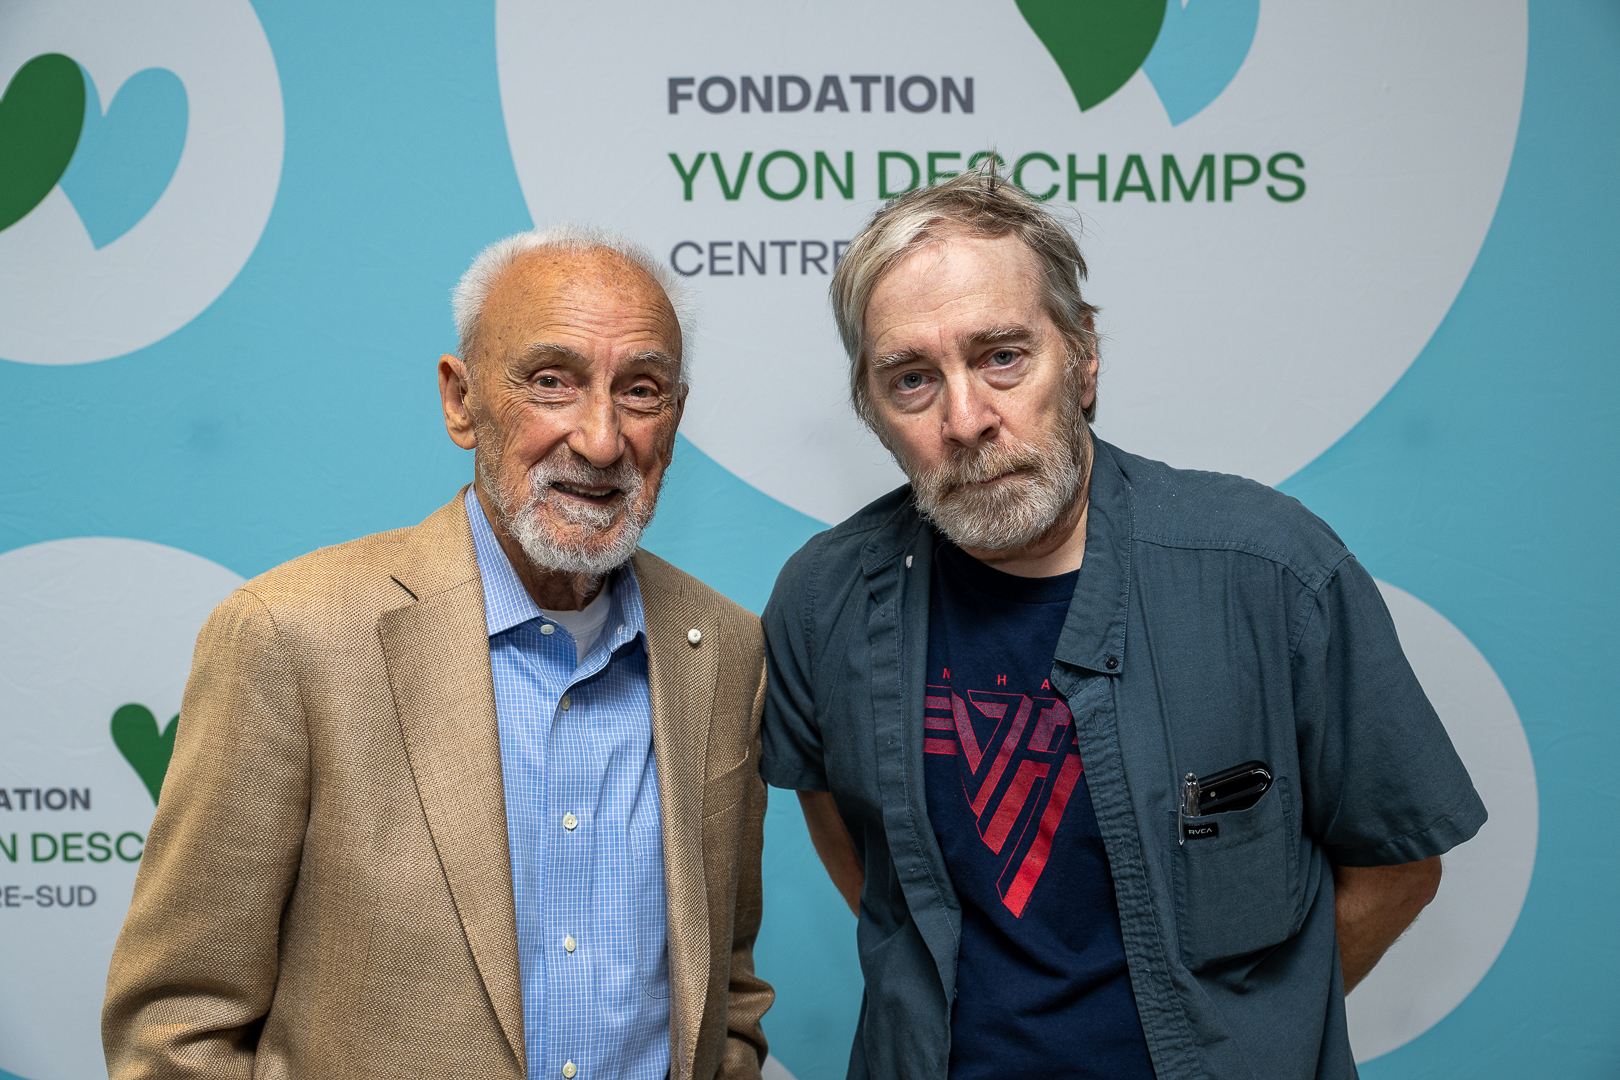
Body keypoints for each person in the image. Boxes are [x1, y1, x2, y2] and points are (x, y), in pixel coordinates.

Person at [760, 168, 1486, 1079]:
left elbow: (1396, 870)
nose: (968, 417)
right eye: (912, 380)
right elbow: (856, 843)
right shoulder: (822, 600)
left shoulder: (1272, 574)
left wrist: (1246, 1032)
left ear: (1085, 355)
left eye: (1002, 357)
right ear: (872, 410)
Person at [103, 227, 773, 1080]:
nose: (602, 441)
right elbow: (177, 1022)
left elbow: (728, 987)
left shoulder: (725, 648)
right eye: (551, 381)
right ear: (461, 401)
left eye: (640, 391)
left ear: (675, 414)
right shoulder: (289, 635)